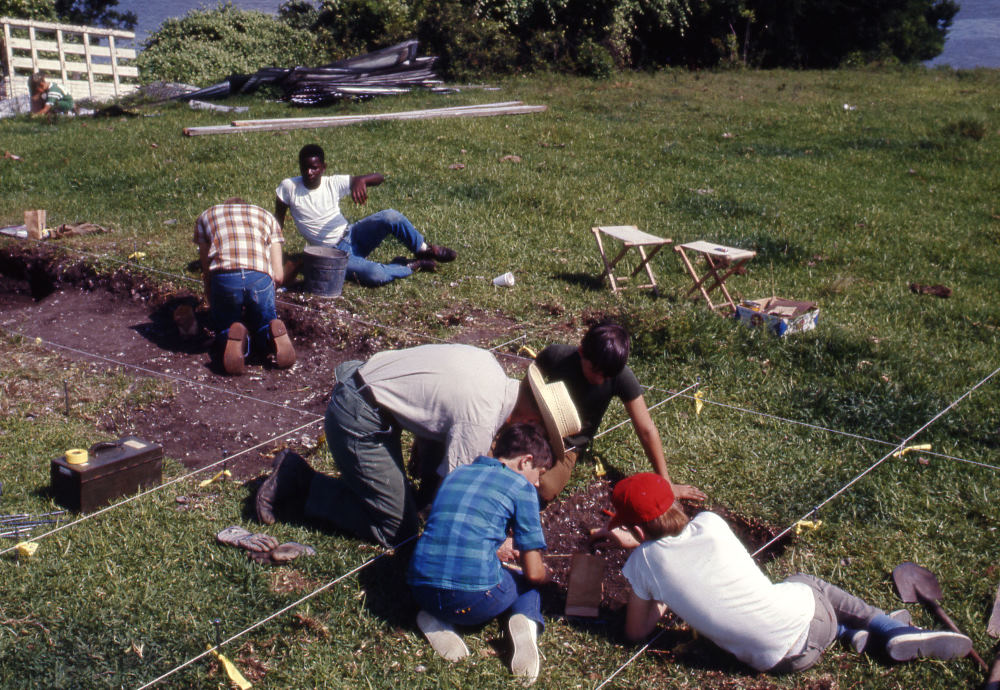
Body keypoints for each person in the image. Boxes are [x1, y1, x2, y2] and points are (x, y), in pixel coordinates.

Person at [593, 473, 973, 673]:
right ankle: (890, 629)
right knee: (803, 583)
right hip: (809, 624)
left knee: (792, 604)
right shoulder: (710, 523)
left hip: (775, 663)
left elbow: (635, 632)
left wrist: (643, 563)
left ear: (636, 531)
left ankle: (858, 637)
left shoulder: (642, 564)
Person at [254, 344, 581, 547]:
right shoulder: (481, 418)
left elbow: (437, 420)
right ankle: (301, 481)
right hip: (358, 414)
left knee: (408, 502)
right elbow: (455, 495)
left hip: (370, 391)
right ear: (534, 421)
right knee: (399, 529)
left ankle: (404, 498)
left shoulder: (490, 368)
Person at [408, 423, 552, 684]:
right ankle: (524, 622)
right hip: (471, 600)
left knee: (452, 577)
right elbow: (533, 571)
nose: (539, 482)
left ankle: (435, 618)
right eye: (539, 473)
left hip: (419, 586)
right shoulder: (523, 488)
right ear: (526, 461)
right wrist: (543, 575)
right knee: (528, 587)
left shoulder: (458, 473)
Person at [534, 322, 705, 503]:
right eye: (595, 371)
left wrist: (666, 482)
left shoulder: (620, 376)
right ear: (582, 352)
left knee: (544, 488)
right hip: (536, 429)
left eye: (606, 377)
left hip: (567, 446)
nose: (600, 380)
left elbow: (646, 430)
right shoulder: (556, 355)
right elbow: (526, 390)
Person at [274, 143, 457, 287]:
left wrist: (360, 180)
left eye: (314, 168)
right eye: (304, 168)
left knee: (391, 216)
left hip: (352, 235)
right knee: (375, 275)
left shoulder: (332, 183)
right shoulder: (289, 187)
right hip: (332, 254)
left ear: (323, 167)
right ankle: (410, 265)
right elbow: (277, 222)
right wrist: (274, 252)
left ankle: (423, 249)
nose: (309, 173)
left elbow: (379, 177)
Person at [193, 197, 296, 375]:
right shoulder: (267, 216)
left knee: (225, 323)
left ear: (225, 207)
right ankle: (270, 334)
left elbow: (206, 264)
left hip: (225, 277)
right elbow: (278, 275)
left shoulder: (207, 215)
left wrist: (210, 289)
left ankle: (234, 337)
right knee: (264, 320)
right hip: (259, 276)